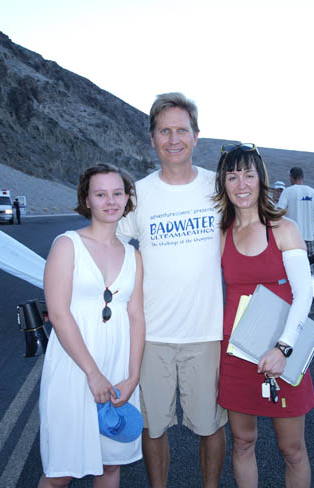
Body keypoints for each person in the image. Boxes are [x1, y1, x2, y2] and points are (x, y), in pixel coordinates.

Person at [117, 92, 227, 488]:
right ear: (152, 139)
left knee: (210, 426)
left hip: (206, 333)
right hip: (152, 335)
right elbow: (110, 245)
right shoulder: (138, 195)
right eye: (165, 131)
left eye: (182, 130)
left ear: (196, 136)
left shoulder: (219, 188)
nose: (174, 139)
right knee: (153, 426)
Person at [214, 144, 314, 487]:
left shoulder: (283, 229)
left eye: (248, 175)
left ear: (261, 179)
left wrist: (283, 347)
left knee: (292, 449)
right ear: (223, 184)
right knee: (242, 442)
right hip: (235, 353)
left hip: (281, 351)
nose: (241, 184)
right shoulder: (221, 234)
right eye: (232, 177)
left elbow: (304, 295)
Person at [38, 164, 145, 488]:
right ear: (87, 200)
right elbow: (59, 314)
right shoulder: (66, 245)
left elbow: (136, 316)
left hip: (118, 368)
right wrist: (92, 372)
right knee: (60, 473)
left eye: (117, 193)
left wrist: (133, 376)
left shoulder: (133, 255)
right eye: (100, 194)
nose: (110, 201)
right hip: (75, 368)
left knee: (110, 466)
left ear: (127, 199)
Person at [277, 167, 314, 255]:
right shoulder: (312, 192)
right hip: (308, 238)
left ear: (291, 177)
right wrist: (313, 219)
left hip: (291, 237)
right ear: (302, 177)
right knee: (307, 262)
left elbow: (278, 212)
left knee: (291, 262)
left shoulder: (287, 191)